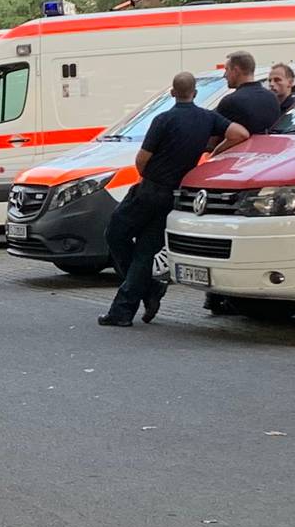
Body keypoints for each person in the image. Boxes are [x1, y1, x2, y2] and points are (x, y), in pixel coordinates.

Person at [100, 72, 227, 328]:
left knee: (115, 233)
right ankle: (135, 301)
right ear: (195, 92)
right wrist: (214, 151)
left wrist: (148, 177)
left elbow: (142, 159)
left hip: (149, 190)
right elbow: (239, 133)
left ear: (172, 92)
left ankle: (138, 297)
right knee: (146, 251)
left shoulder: (163, 119)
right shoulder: (208, 118)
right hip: (173, 195)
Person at [213, 51, 278, 148]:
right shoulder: (272, 98)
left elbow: (215, 138)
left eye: (227, 70)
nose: (225, 75)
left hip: (238, 159)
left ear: (236, 70)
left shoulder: (230, 102)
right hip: (269, 156)